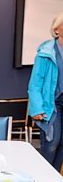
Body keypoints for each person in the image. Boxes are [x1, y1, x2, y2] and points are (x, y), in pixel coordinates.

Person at [28, 12, 63, 173]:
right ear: (57, 30)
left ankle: (55, 181)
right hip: (52, 105)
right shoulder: (46, 52)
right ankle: (43, 179)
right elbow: (35, 84)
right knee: (52, 144)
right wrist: (37, 108)